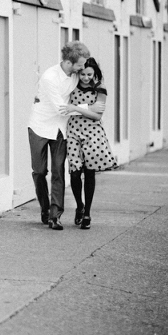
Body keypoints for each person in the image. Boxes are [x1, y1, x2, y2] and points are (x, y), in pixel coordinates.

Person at [28, 40, 93, 231]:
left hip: (60, 130)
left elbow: (93, 81)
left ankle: (55, 216)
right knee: (39, 172)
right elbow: (61, 109)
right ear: (69, 63)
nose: (83, 68)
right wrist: (90, 110)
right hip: (39, 126)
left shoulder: (75, 75)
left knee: (58, 171)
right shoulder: (49, 77)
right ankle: (44, 208)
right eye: (80, 64)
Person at [59, 57, 117, 229]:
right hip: (74, 131)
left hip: (93, 132)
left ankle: (87, 214)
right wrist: (88, 109)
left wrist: (76, 108)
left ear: (94, 73)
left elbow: (97, 116)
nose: (86, 78)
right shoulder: (71, 86)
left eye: (89, 74)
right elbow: (65, 107)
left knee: (89, 172)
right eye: (83, 74)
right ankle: (79, 206)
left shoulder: (100, 89)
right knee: (75, 172)